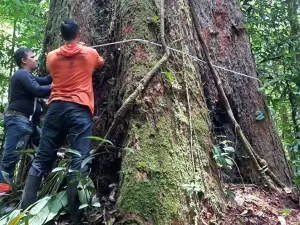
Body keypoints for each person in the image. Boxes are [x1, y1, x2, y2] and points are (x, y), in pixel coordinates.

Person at [20, 19, 104, 223]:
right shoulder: (90, 54)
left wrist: (72, 48)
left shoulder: (51, 56)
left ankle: (23, 213)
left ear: (61, 37)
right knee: (78, 160)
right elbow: (100, 63)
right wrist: (83, 48)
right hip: (79, 109)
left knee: (41, 161)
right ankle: (76, 217)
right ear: (79, 34)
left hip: (55, 109)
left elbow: (61, 58)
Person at [0, 48, 52, 193]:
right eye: (32, 57)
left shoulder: (28, 76)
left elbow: (47, 80)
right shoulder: (21, 74)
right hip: (18, 121)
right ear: (24, 61)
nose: (36, 59)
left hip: (28, 123)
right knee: (10, 159)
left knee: (45, 145)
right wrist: (56, 87)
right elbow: (38, 90)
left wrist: (61, 61)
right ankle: (2, 195)